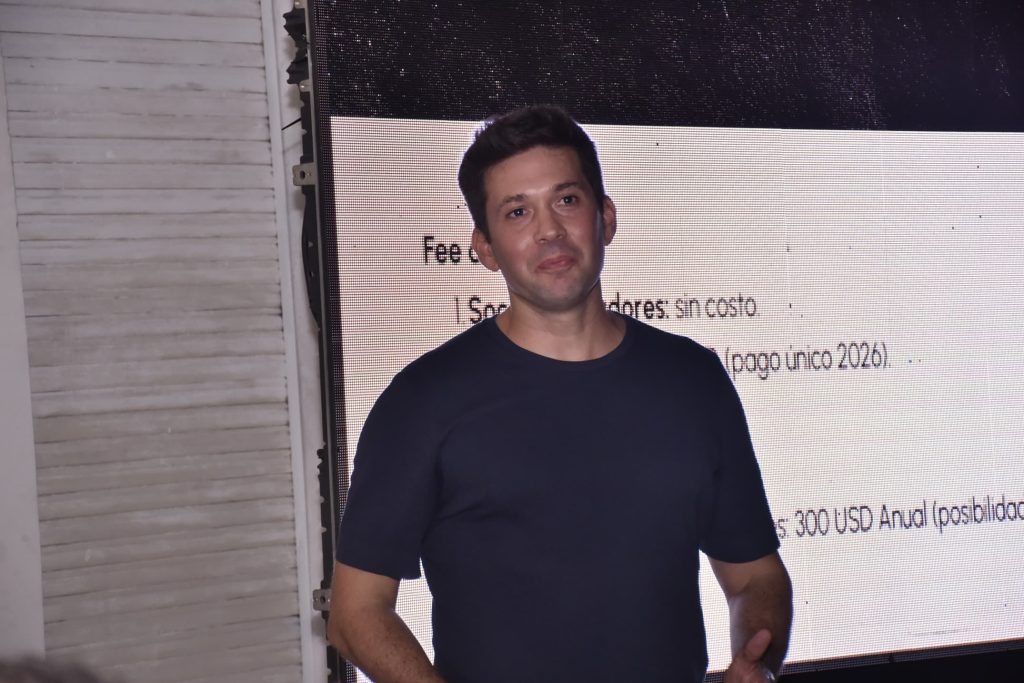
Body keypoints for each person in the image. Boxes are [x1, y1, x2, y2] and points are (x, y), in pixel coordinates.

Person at [327, 105, 792, 683]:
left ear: (606, 218)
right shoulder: (423, 401)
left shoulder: (693, 379)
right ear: (486, 248)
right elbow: (356, 613)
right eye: (517, 211)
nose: (549, 230)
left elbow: (756, 578)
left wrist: (758, 664)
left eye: (566, 200)